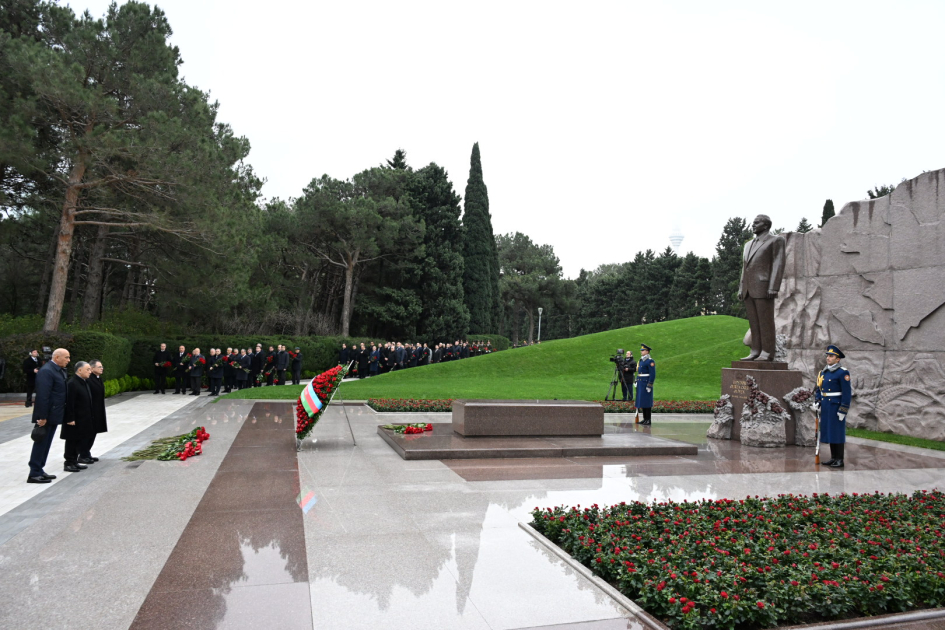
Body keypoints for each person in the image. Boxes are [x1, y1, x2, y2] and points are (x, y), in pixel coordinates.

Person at [738, 214, 786, 361]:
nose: (753, 225)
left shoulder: (776, 240)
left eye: (756, 223)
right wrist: (741, 287)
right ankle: (755, 351)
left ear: (765, 225)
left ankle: (767, 352)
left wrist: (774, 286)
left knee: (766, 322)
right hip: (748, 288)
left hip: (764, 287)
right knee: (754, 322)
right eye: (753, 223)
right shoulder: (748, 245)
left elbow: (778, 263)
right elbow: (745, 268)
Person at [27, 348, 70, 483]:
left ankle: (40, 469)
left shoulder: (57, 370)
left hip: (53, 413)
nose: (68, 360)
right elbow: (43, 396)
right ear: (57, 357)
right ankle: (34, 472)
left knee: (46, 443)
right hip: (46, 415)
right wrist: (42, 417)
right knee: (41, 442)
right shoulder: (47, 371)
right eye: (66, 357)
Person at [813, 345, 852, 468]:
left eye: (831, 356)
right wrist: (817, 401)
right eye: (828, 356)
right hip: (826, 406)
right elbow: (819, 389)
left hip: (836, 406)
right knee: (830, 432)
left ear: (838, 359)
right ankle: (833, 458)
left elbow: (846, 393)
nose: (828, 358)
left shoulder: (842, 373)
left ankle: (839, 459)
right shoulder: (823, 372)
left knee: (837, 432)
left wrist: (843, 409)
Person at [61, 361, 94, 473]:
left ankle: (74, 461)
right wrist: (70, 418)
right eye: (88, 369)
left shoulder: (83, 382)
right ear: (79, 370)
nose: (90, 372)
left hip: (83, 418)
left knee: (79, 440)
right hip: (74, 419)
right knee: (72, 441)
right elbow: (69, 402)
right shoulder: (73, 383)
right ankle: (69, 462)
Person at [81, 359, 107, 463]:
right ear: (92, 368)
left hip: (98, 409)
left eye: (102, 367)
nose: (102, 368)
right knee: (88, 433)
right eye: (99, 367)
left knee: (94, 432)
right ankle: (83, 454)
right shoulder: (88, 379)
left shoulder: (98, 378)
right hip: (91, 410)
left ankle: (87, 453)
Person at [635, 344, 656, 425]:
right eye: (641, 350)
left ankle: (648, 419)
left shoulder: (650, 361)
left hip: (646, 383)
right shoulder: (641, 360)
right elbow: (639, 372)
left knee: (647, 401)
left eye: (643, 350)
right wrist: (637, 381)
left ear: (647, 351)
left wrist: (649, 384)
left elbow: (652, 374)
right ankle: (644, 419)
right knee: (642, 401)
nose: (641, 351)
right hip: (641, 383)